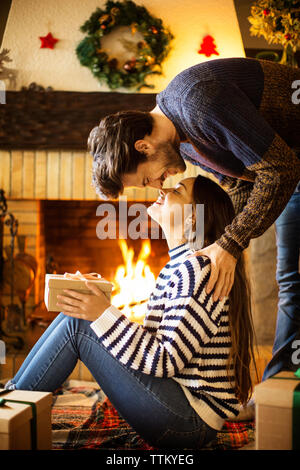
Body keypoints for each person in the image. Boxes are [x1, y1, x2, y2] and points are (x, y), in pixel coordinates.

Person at [87, 57, 300, 382]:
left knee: (291, 280)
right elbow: (240, 185)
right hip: (291, 165)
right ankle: (277, 392)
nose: (159, 186)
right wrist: (211, 250)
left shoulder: (198, 103)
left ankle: (277, 393)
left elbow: (280, 169)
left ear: (143, 146)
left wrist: (229, 244)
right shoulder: (183, 143)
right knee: (291, 282)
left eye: (147, 180)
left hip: (291, 165)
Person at [5, 175, 256, 449]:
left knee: (80, 324)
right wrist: (97, 298)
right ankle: (12, 402)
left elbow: (164, 360)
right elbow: (154, 347)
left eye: (178, 190)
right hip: (179, 409)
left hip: (187, 421)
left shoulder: (197, 270)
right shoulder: (182, 266)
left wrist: (103, 314)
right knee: (78, 315)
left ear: (192, 219)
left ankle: (10, 409)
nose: (164, 188)